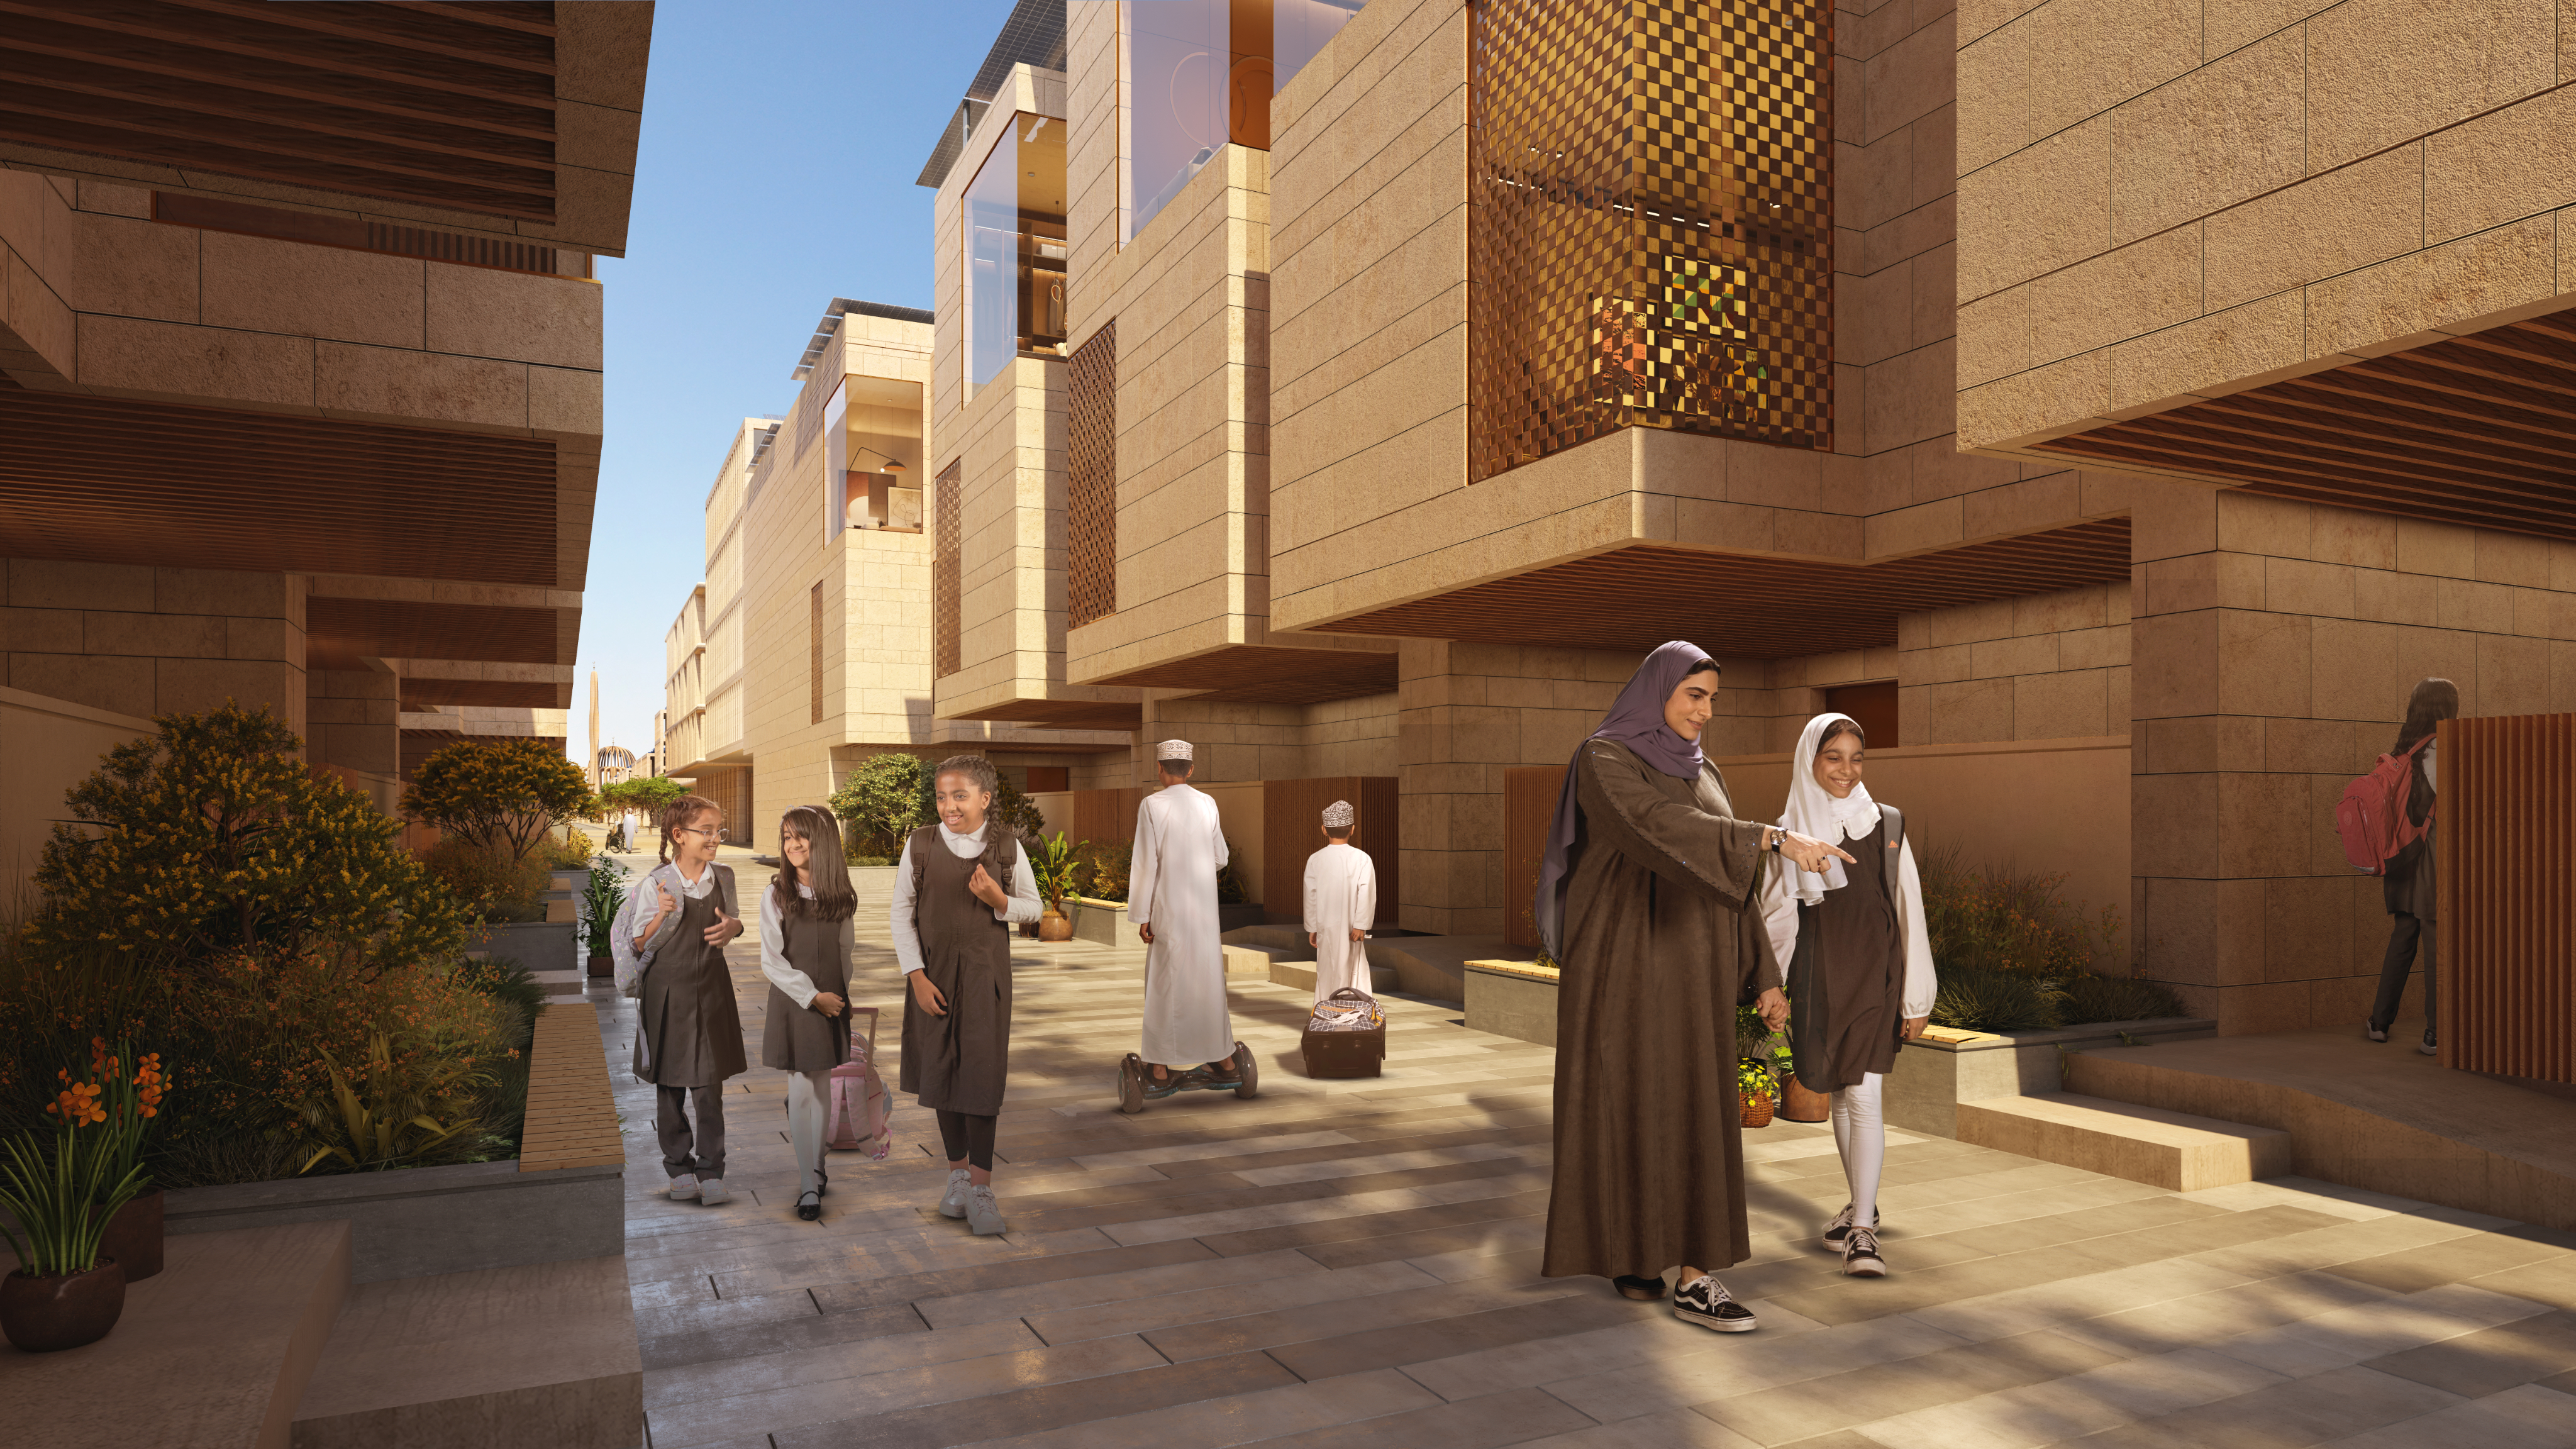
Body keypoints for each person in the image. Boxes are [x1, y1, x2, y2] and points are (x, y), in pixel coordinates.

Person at [1535, 642, 1853, 1332]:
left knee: (1694, 1109)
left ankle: (1694, 1273)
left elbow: (1728, 879)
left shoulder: (1705, 772)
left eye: (1712, 698)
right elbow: (1654, 828)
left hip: (1695, 968)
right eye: (1694, 696)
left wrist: (1765, 975)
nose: (1706, 711)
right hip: (1623, 968)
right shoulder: (1604, 758)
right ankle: (1631, 1252)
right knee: (1627, 1103)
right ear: (1657, 692)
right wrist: (1769, 837)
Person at [1758, 713, 1935, 1278]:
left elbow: (1910, 910)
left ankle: (1863, 1231)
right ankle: (1860, 1204)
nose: (1846, 769)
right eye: (1833, 756)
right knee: (1836, 1091)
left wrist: (1917, 996)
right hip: (1817, 978)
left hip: (1874, 975)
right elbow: (1778, 915)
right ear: (1810, 759)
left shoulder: (1887, 824)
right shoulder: (1788, 831)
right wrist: (1774, 986)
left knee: (1863, 1095)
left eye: (1856, 758)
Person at [896, 754, 1043, 1236]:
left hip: (985, 981)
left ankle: (981, 1189)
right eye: (942, 796)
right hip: (932, 981)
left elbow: (1034, 910)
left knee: (980, 1081)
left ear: (984, 798)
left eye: (960, 796)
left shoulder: (1005, 847)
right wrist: (916, 976)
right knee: (942, 1076)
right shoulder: (920, 845)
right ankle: (956, 1177)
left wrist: (999, 901)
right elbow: (902, 914)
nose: (949, 806)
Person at [611, 794, 747, 1206]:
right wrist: (660, 914)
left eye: (718, 831)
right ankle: (678, 1168)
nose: (715, 838)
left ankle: (711, 1170)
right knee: (669, 1086)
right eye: (706, 831)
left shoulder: (724, 877)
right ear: (679, 836)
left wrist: (735, 928)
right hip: (665, 994)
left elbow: (733, 920)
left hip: (712, 992)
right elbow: (638, 941)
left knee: (710, 1087)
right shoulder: (657, 883)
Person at [759, 804, 860, 1223]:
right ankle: (807, 1183)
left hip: (831, 1004)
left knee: (823, 1089)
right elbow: (771, 960)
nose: (793, 844)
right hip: (796, 1004)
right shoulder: (777, 894)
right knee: (801, 1089)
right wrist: (813, 996)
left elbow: (845, 954)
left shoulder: (841, 896)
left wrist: (840, 998)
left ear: (823, 840)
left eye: (801, 835)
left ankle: (817, 1168)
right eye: (786, 837)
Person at [1131, 740, 1238, 1097]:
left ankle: (1159, 1067)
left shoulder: (1151, 805)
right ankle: (1223, 1059)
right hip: (1205, 913)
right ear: (1190, 770)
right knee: (1207, 981)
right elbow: (1220, 856)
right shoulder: (1208, 803)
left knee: (1166, 983)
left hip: (1168, 910)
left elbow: (1147, 865)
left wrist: (1143, 914)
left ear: (1160, 768)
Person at [2369, 677, 2457, 1055]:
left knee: (2403, 936)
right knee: (2436, 941)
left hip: (2400, 856)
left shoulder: (2404, 749)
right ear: (2445, 708)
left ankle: (2379, 1023)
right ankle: (2435, 1034)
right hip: (2429, 856)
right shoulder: (2441, 748)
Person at [1303, 799, 1377, 1004]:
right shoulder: (1362, 859)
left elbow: (1311, 896)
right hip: (1352, 929)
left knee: (1327, 970)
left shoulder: (1315, 860)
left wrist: (1312, 927)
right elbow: (1367, 893)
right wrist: (1361, 925)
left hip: (1326, 927)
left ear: (1324, 830)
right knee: (1354, 970)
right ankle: (1355, 1017)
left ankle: (1327, 1013)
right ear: (1352, 829)